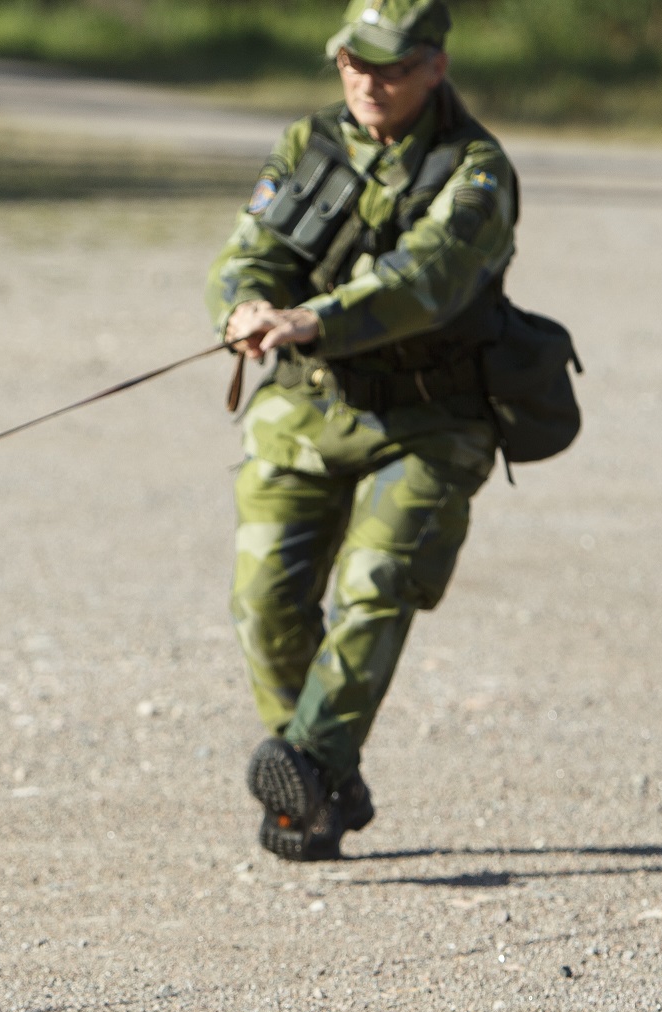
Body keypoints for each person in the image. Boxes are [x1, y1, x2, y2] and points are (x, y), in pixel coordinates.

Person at [205, 0, 519, 861]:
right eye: (351, 62)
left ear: (435, 68)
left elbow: (426, 281)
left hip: (431, 419)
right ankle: (326, 782)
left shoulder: (477, 172)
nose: (365, 82)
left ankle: (304, 767)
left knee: (375, 585)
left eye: (387, 66)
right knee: (264, 602)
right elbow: (250, 249)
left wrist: (314, 318)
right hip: (309, 406)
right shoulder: (310, 144)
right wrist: (247, 306)